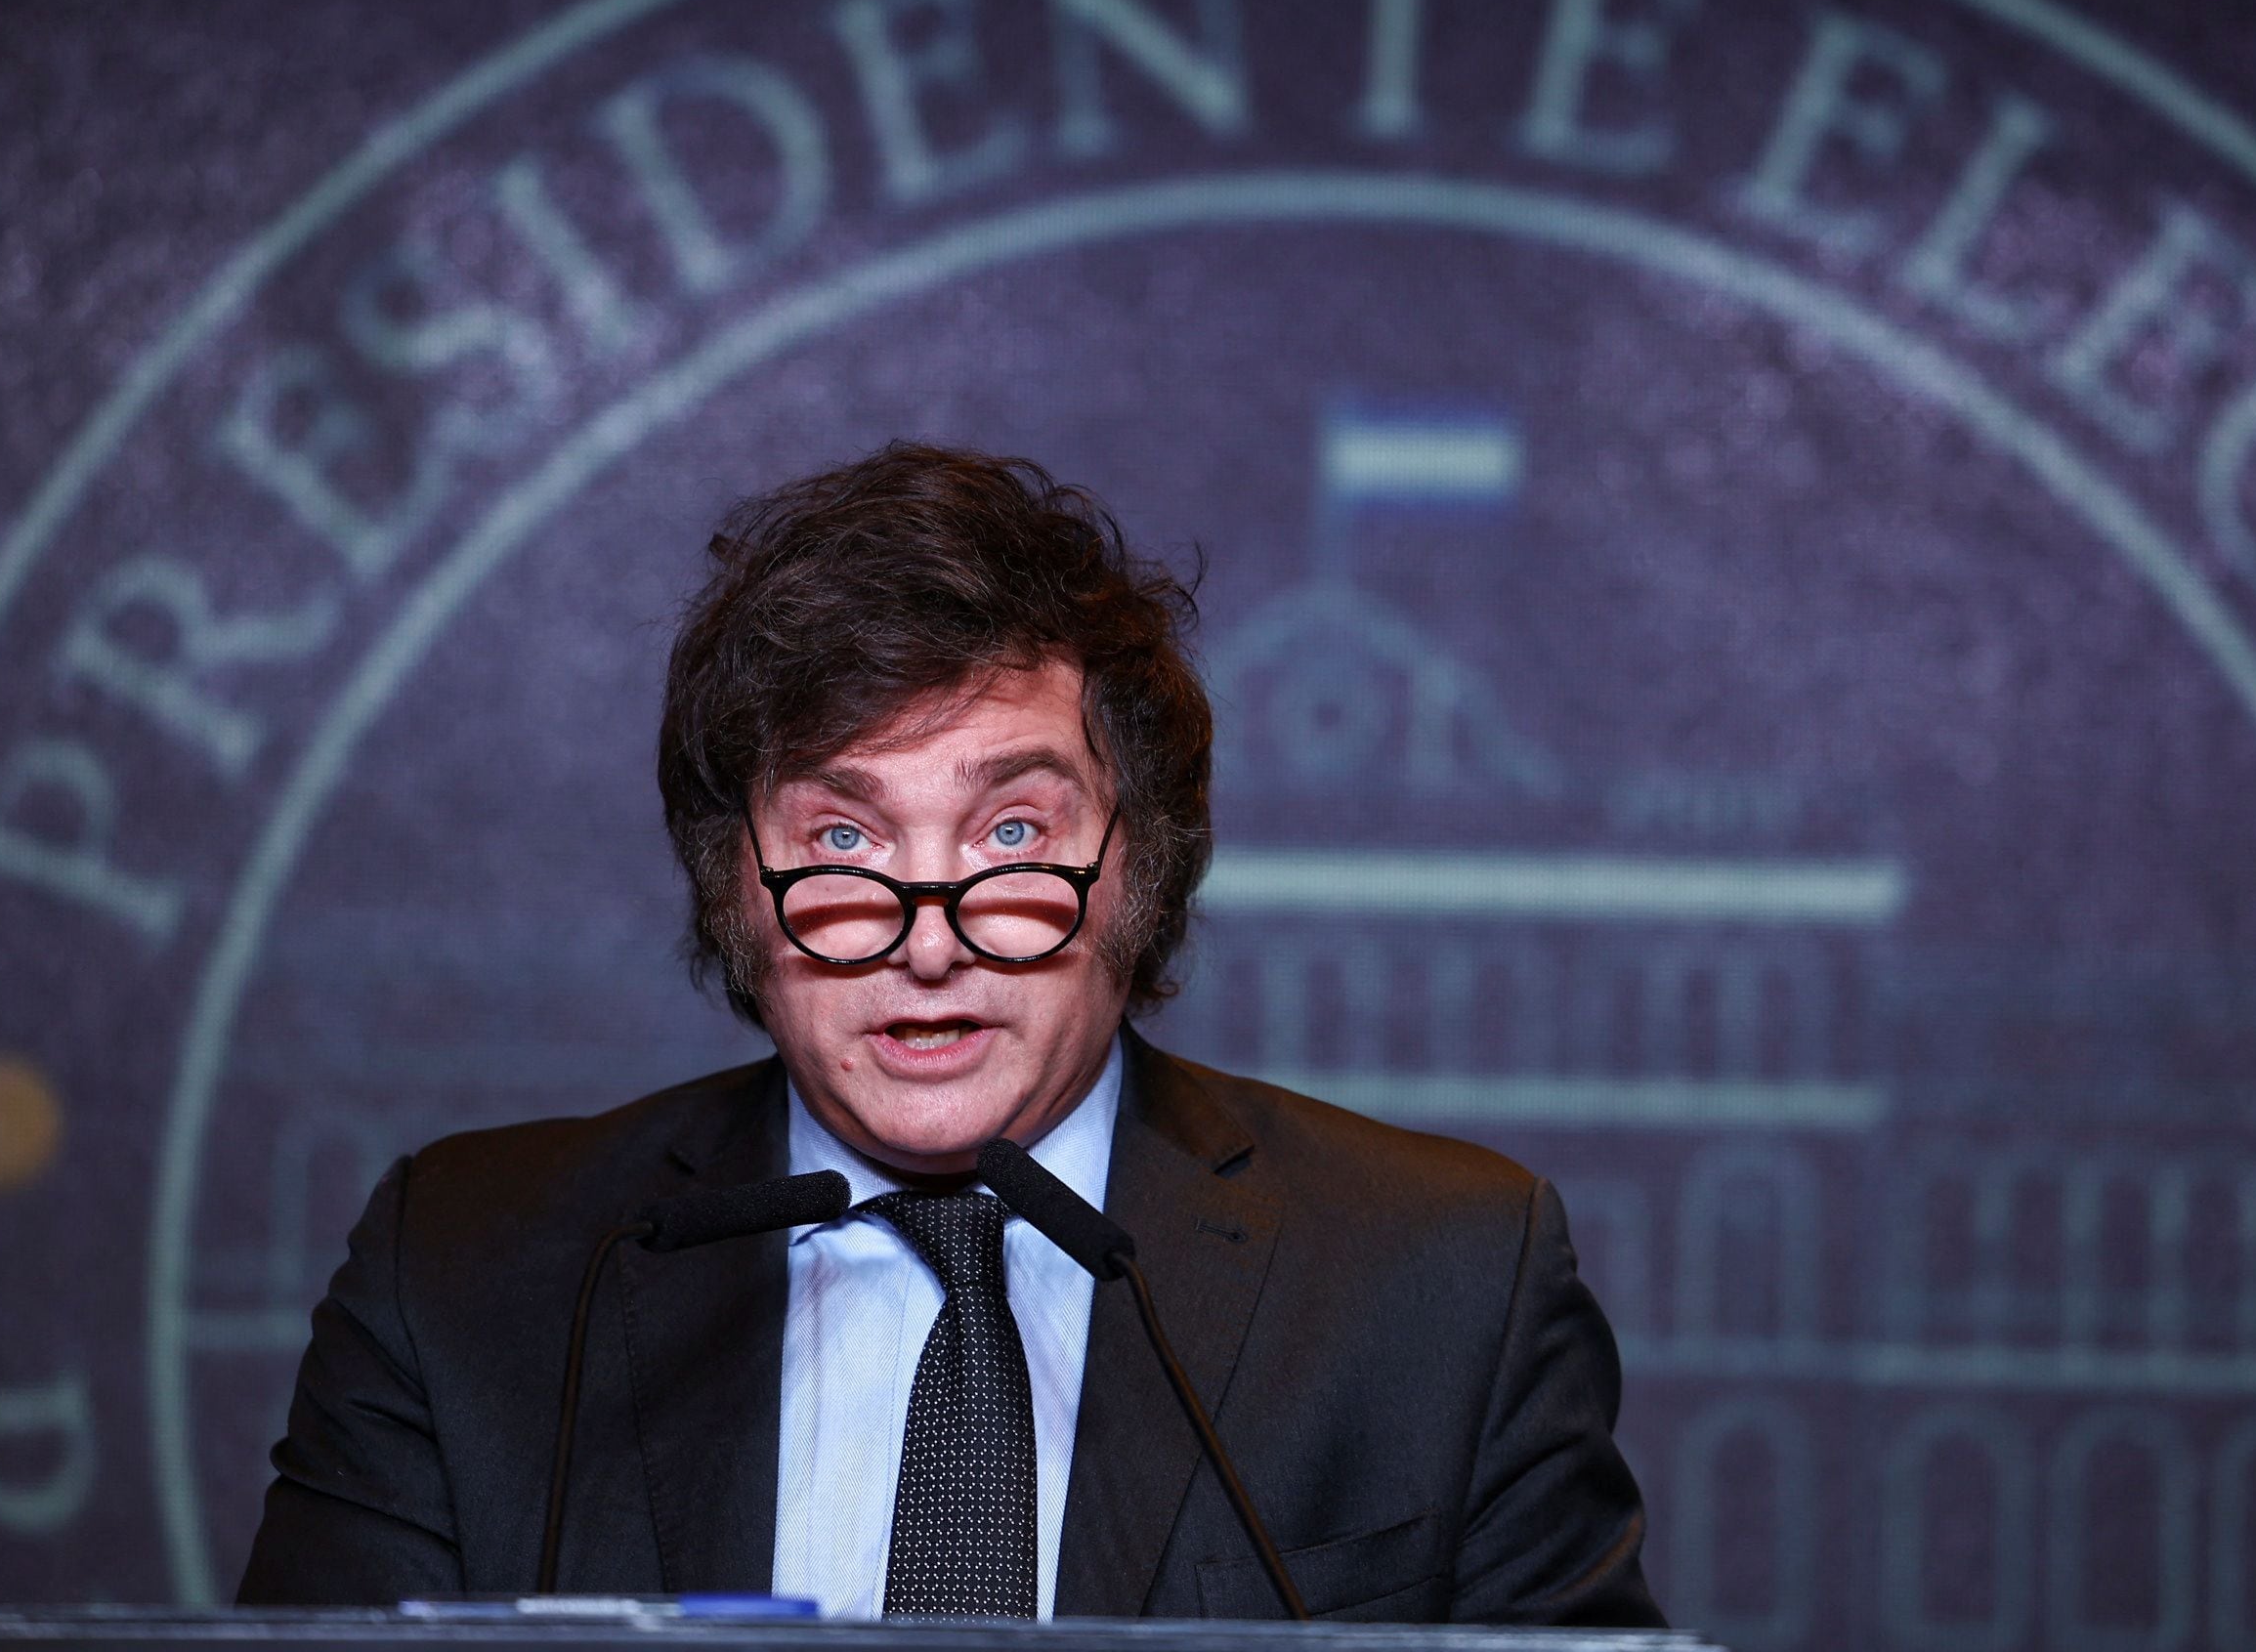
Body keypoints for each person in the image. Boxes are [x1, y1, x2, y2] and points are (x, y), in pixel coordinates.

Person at [238, 442, 1659, 1624]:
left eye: (1013, 835)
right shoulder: (473, 1272)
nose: (930, 939)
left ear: (1141, 866)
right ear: (734, 883)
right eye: (844, 838)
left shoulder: (1443, 1282)